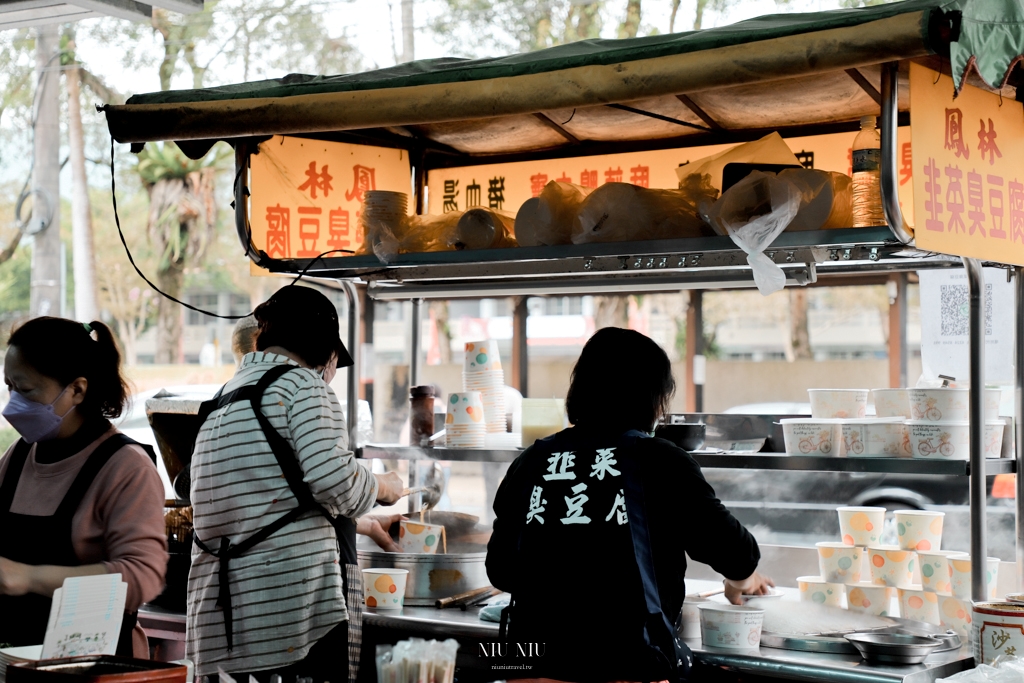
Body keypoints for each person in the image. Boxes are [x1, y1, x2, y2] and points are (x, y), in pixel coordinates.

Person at [487, 328, 772, 682]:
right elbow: (736, 553)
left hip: (530, 669)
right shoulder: (662, 461)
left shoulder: (532, 461)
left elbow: (500, 570)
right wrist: (741, 579)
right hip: (625, 668)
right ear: (654, 401)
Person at [187, 285, 405, 683]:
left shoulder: (222, 398)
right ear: (326, 353)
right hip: (288, 610)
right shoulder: (303, 386)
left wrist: (366, 524)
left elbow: (265, 501)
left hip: (225, 611)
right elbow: (334, 479)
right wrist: (383, 486)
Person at [0, 318, 167, 657]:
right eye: (9, 387)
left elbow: (142, 577)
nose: (13, 403)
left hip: (92, 662)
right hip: (16, 658)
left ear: (77, 389)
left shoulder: (125, 466)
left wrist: (29, 578)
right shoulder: (18, 455)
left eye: (26, 390)